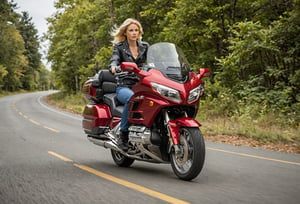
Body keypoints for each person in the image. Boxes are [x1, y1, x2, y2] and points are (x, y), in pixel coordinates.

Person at [109, 18, 149, 150]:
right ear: (125, 32)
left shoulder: (145, 46)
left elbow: (153, 61)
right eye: (131, 30)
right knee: (132, 99)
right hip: (124, 85)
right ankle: (123, 134)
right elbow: (114, 60)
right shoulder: (119, 47)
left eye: (136, 30)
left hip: (142, 84)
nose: (134, 33)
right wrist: (114, 66)